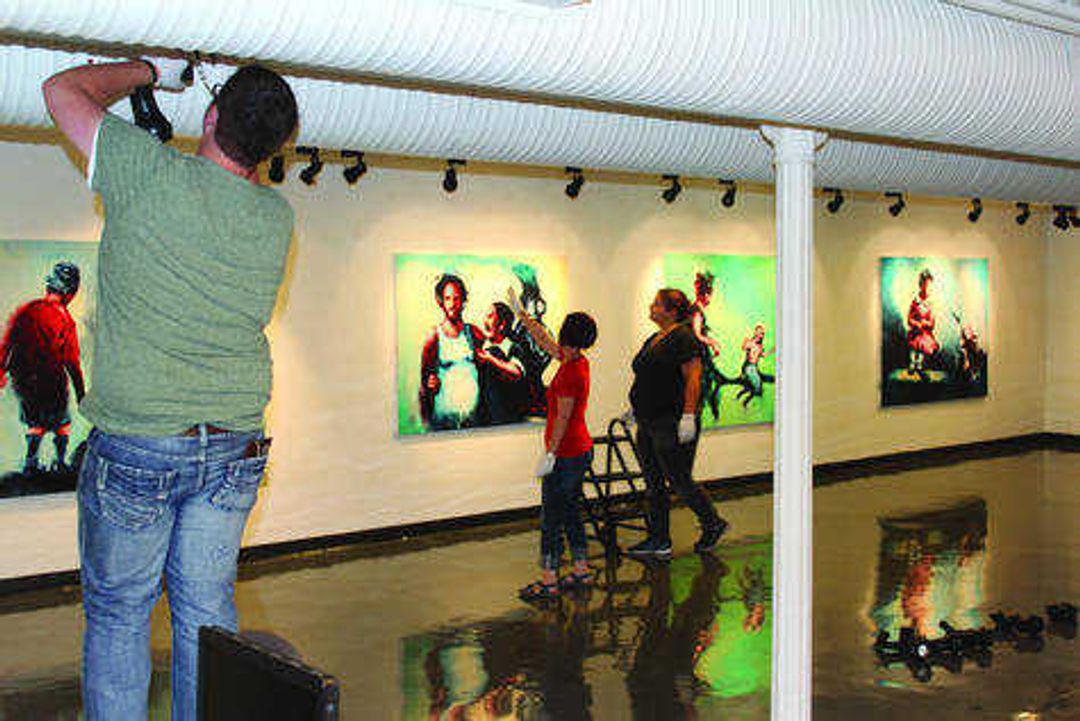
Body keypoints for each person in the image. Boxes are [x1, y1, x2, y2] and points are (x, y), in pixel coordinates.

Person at [43, 56, 298, 720]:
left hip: (141, 443)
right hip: (234, 446)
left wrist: (145, 70)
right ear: (274, 150)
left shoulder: (146, 171)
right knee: (206, 613)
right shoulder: (276, 218)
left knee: (121, 614)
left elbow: (60, 89)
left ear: (211, 116)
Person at [509, 288, 597, 601]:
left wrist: (550, 453)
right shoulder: (575, 360)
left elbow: (562, 417)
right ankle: (582, 569)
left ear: (567, 334)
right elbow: (545, 341)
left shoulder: (572, 371)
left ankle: (549, 580)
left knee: (551, 516)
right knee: (570, 511)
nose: (554, 339)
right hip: (577, 450)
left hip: (567, 453)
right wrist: (524, 317)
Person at [626, 289, 727, 559]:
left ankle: (713, 522)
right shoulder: (654, 338)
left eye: (657, 304)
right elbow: (648, 376)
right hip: (648, 420)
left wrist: (688, 416)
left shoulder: (684, 337)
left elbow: (693, 377)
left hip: (670, 420)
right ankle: (659, 539)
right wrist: (635, 407)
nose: (651, 306)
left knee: (679, 479)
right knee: (654, 482)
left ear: (671, 311)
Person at [0, 261, 86, 474]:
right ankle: (60, 461)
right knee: (61, 423)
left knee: (35, 422)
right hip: (51, 379)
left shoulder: (26, 310)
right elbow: (72, 361)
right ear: (70, 292)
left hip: (24, 379)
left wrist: (1, 371)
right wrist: (81, 393)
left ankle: (30, 462)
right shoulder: (65, 319)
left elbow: (7, 341)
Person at [419, 273, 485, 431]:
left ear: (463, 301)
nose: (452, 304)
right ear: (440, 301)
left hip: (474, 422)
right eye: (448, 298)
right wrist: (430, 385)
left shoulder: (473, 333)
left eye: (456, 298)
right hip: (443, 423)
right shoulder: (434, 337)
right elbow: (424, 386)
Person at [688, 271, 731, 422]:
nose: (711, 299)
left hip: (702, 358)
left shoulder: (695, 310)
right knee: (707, 386)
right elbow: (697, 334)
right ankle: (710, 413)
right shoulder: (696, 312)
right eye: (710, 295)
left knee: (711, 384)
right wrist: (713, 343)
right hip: (699, 359)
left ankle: (710, 412)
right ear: (706, 295)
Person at [475, 301, 528, 425]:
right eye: (485, 316)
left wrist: (491, 359)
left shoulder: (513, 347)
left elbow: (516, 372)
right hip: (483, 422)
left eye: (490, 316)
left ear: (502, 325)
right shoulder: (481, 346)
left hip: (506, 421)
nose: (485, 321)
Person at [906, 269, 938, 381]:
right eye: (924, 285)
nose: (926, 288)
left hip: (925, 332)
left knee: (925, 342)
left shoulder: (930, 303)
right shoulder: (915, 301)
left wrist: (926, 323)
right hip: (916, 331)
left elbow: (932, 322)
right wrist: (916, 324)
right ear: (920, 285)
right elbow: (909, 319)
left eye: (928, 285)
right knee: (915, 342)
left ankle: (919, 365)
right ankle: (912, 363)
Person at [734, 323, 774, 408]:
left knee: (756, 387)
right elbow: (744, 347)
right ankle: (745, 401)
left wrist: (772, 351)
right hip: (749, 367)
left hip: (754, 367)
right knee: (757, 387)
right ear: (755, 333)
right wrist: (747, 342)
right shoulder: (751, 342)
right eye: (760, 333)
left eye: (763, 333)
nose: (761, 335)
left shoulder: (759, 345)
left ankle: (742, 399)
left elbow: (763, 355)